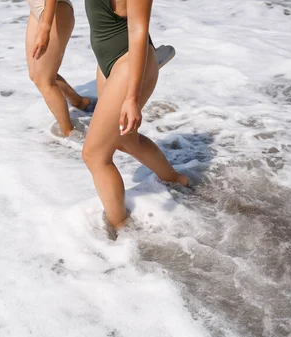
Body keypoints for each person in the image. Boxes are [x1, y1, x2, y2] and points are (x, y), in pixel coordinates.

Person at [82, 0, 190, 229]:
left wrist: (132, 98)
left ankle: (121, 229)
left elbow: (138, 29)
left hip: (128, 63)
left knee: (94, 156)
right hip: (107, 62)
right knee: (125, 138)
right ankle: (177, 180)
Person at [26, 0, 96, 136]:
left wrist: (45, 27)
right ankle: (79, 102)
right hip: (37, 10)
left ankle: (70, 133)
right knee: (36, 75)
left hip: (53, 14)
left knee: (44, 80)